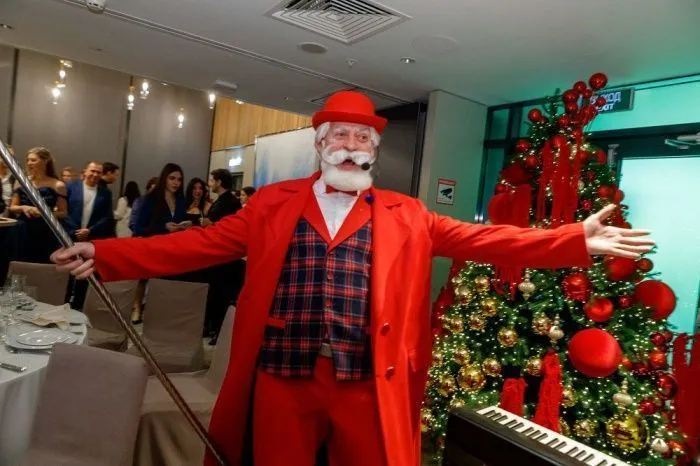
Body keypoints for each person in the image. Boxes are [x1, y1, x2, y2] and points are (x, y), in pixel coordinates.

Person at [51, 91, 655, 466]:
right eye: (339, 134)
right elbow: (194, 245)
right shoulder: (271, 205)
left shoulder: (408, 213)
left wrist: (575, 239)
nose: (350, 144)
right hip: (283, 375)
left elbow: (486, 239)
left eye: (362, 137)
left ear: (372, 151)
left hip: (367, 379)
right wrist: (104, 254)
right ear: (320, 145)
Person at [202, 168, 244, 344]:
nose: (210, 184)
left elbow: (223, 225)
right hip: (219, 255)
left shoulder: (229, 202)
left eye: (212, 180)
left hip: (224, 257)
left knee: (222, 295)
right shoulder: (224, 200)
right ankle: (214, 328)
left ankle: (220, 331)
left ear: (219, 182)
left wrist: (208, 223)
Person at [9, 147, 66, 264]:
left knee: (41, 263)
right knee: (20, 262)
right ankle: (17, 278)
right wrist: (24, 207)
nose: (29, 163)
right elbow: (12, 207)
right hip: (23, 229)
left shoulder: (58, 185)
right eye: (28, 160)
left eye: (33, 160)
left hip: (46, 231)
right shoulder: (20, 181)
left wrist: (44, 213)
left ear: (45, 161)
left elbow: (64, 213)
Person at [131, 164, 188, 238]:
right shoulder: (151, 199)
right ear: (164, 178)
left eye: (179, 180)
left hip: (174, 243)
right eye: (172, 178)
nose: (176, 183)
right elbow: (138, 230)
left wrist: (186, 225)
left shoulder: (180, 201)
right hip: (154, 243)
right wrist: (163, 227)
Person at [64, 162, 114, 241]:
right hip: (69, 235)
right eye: (92, 171)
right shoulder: (70, 187)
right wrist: (76, 232)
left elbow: (107, 216)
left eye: (98, 172)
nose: (95, 174)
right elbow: (64, 211)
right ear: (85, 171)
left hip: (92, 236)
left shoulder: (106, 193)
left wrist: (90, 230)